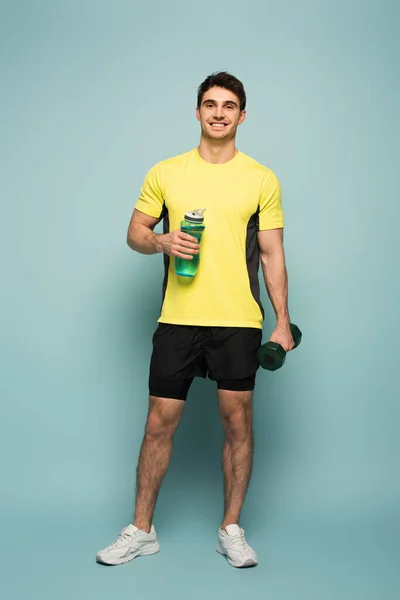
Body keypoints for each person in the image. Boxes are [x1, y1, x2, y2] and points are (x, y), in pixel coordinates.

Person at [96, 71, 294, 569]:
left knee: (238, 424)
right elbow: (135, 232)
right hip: (178, 318)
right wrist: (161, 241)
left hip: (238, 321)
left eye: (229, 105)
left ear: (242, 115)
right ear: (198, 111)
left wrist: (282, 321)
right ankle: (142, 530)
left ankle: (231, 528)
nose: (219, 112)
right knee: (159, 422)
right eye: (210, 104)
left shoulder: (261, 178)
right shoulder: (167, 172)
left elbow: (273, 254)